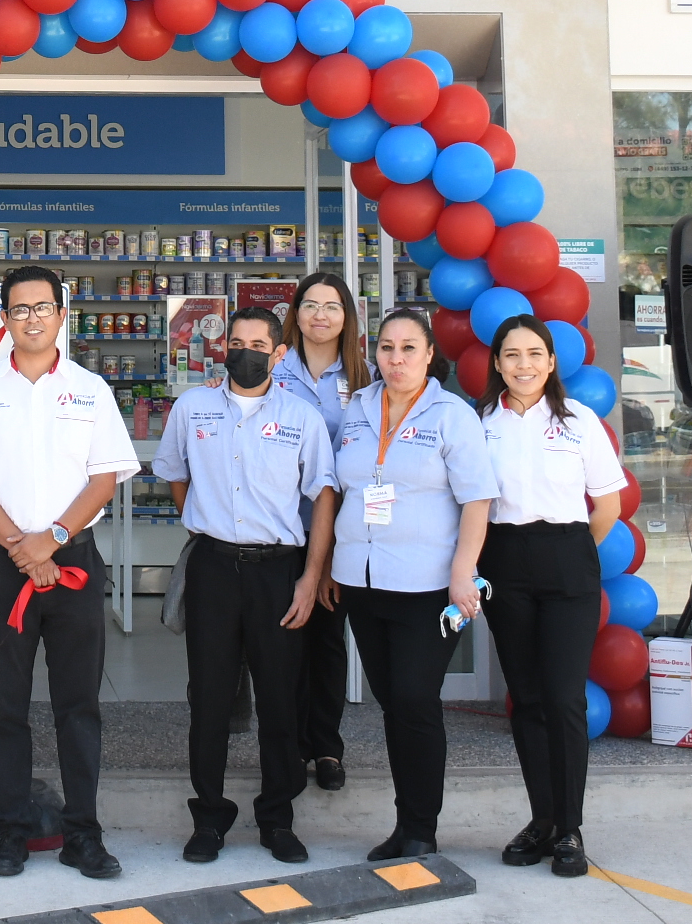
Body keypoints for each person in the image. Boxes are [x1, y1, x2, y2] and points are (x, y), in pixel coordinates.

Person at [0, 264, 136, 882]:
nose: (31, 318)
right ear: (4, 318)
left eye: (42, 307)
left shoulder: (90, 390)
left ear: (61, 315)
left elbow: (104, 477)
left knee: (79, 705)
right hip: (4, 564)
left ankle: (83, 835)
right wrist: (23, 548)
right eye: (19, 309)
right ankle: (9, 830)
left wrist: (52, 540)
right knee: (4, 707)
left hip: (71, 559)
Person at [152, 305, 335, 865]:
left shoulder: (302, 417)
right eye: (237, 343)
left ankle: (277, 818)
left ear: (278, 354)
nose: (245, 353)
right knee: (209, 698)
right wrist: (205, 525)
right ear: (223, 347)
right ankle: (209, 817)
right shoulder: (193, 407)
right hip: (212, 568)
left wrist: (310, 577)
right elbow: (175, 476)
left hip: (278, 571)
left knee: (280, 699)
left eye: (259, 345)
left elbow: (323, 496)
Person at [331, 307, 495, 861]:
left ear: (429, 355)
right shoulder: (357, 408)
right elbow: (345, 487)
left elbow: (478, 499)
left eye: (408, 348)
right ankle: (405, 824)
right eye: (386, 348)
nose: (395, 359)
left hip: (427, 585)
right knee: (392, 703)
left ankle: (421, 829)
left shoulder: (452, 415)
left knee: (415, 700)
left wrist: (463, 573)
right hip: (361, 580)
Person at [479, 315, 626, 880]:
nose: (524, 365)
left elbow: (607, 506)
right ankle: (541, 820)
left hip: (567, 561)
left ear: (551, 361)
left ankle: (569, 827)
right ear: (497, 363)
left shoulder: (579, 420)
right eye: (512, 355)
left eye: (534, 354)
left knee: (565, 699)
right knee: (528, 699)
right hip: (503, 562)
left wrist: (570, 552)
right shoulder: (479, 423)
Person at [274, 269, 369, 793]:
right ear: (296, 313)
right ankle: (287, 745)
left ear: (346, 317)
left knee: (328, 641)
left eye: (332, 306)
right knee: (284, 640)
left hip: (338, 533)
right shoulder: (274, 366)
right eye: (310, 305)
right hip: (280, 529)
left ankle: (326, 746)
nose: (320, 316)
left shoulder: (365, 376)